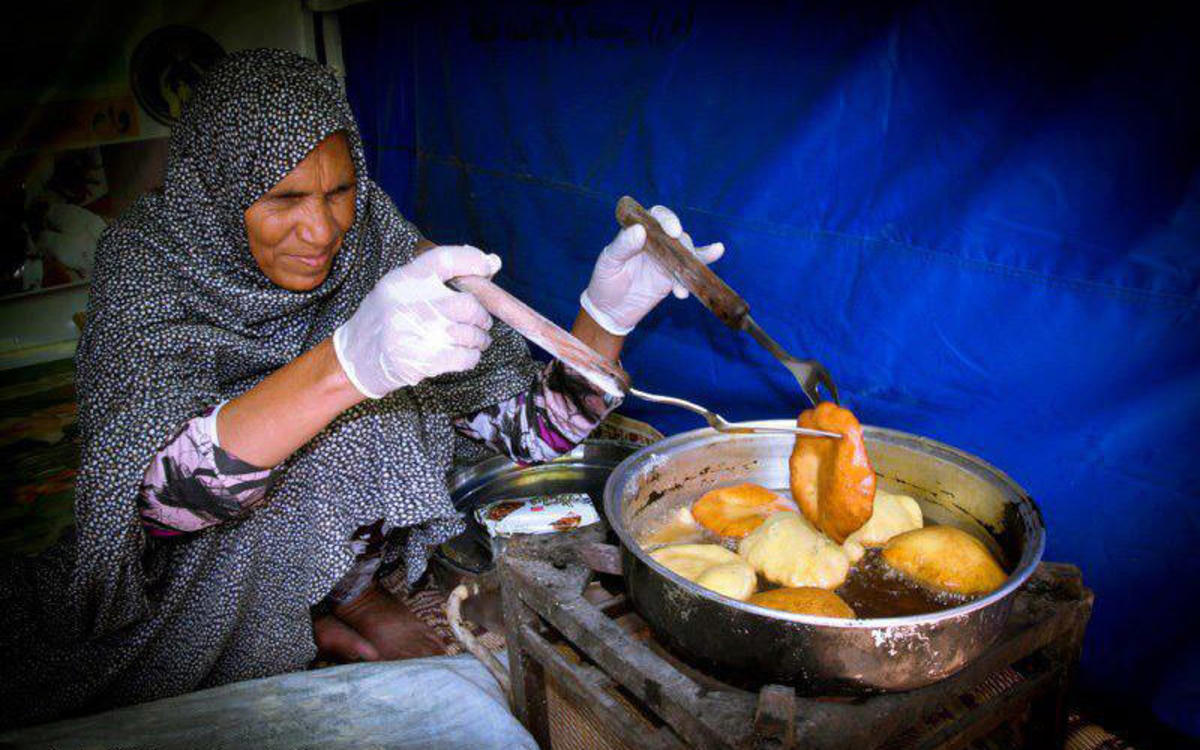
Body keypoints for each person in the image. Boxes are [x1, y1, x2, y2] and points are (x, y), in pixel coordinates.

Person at [0, 48, 724, 738]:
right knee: (331, 416)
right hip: (199, 574)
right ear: (215, 190)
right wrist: (341, 368)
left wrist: (601, 325)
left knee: (387, 408)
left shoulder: (371, 234)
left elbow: (522, 437)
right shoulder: (148, 263)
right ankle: (314, 608)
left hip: (345, 541)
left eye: (340, 190)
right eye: (283, 199)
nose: (320, 230)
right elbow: (150, 509)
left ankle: (342, 591)